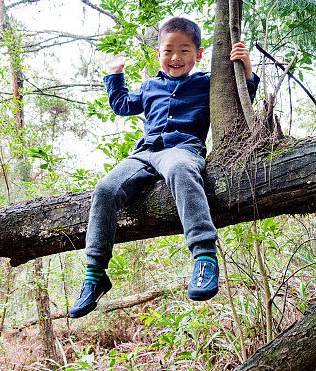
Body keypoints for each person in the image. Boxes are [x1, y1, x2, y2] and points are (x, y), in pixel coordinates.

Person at [69, 16, 259, 319]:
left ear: (197, 55)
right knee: (105, 189)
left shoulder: (207, 83)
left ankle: (204, 255)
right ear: (159, 53)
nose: (175, 57)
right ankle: (95, 274)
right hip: (145, 154)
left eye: (185, 51)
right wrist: (115, 74)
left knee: (181, 171)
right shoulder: (150, 86)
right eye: (169, 50)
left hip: (182, 150)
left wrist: (246, 69)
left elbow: (241, 98)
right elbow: (122, 106)